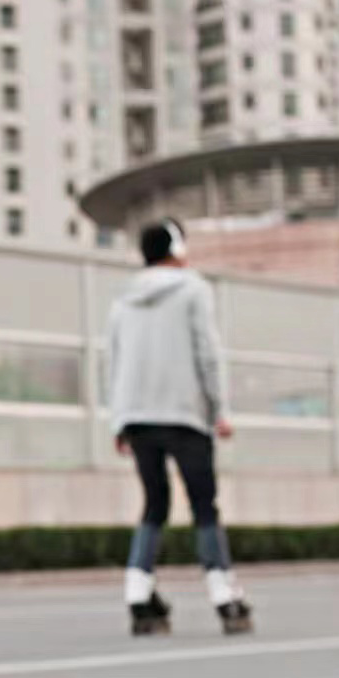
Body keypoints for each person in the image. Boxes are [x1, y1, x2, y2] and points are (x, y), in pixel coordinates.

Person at [104, 218, 252, 636]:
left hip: (136, 416)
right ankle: (225, 597)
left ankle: (138, 595)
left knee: (154, 503)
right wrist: (220, 409)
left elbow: (111, 362)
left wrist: (119, 420)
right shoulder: (194, 289)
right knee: (204, 504)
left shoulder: (122, 300)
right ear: (177, 247)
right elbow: (207, 352)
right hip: (185, 414)